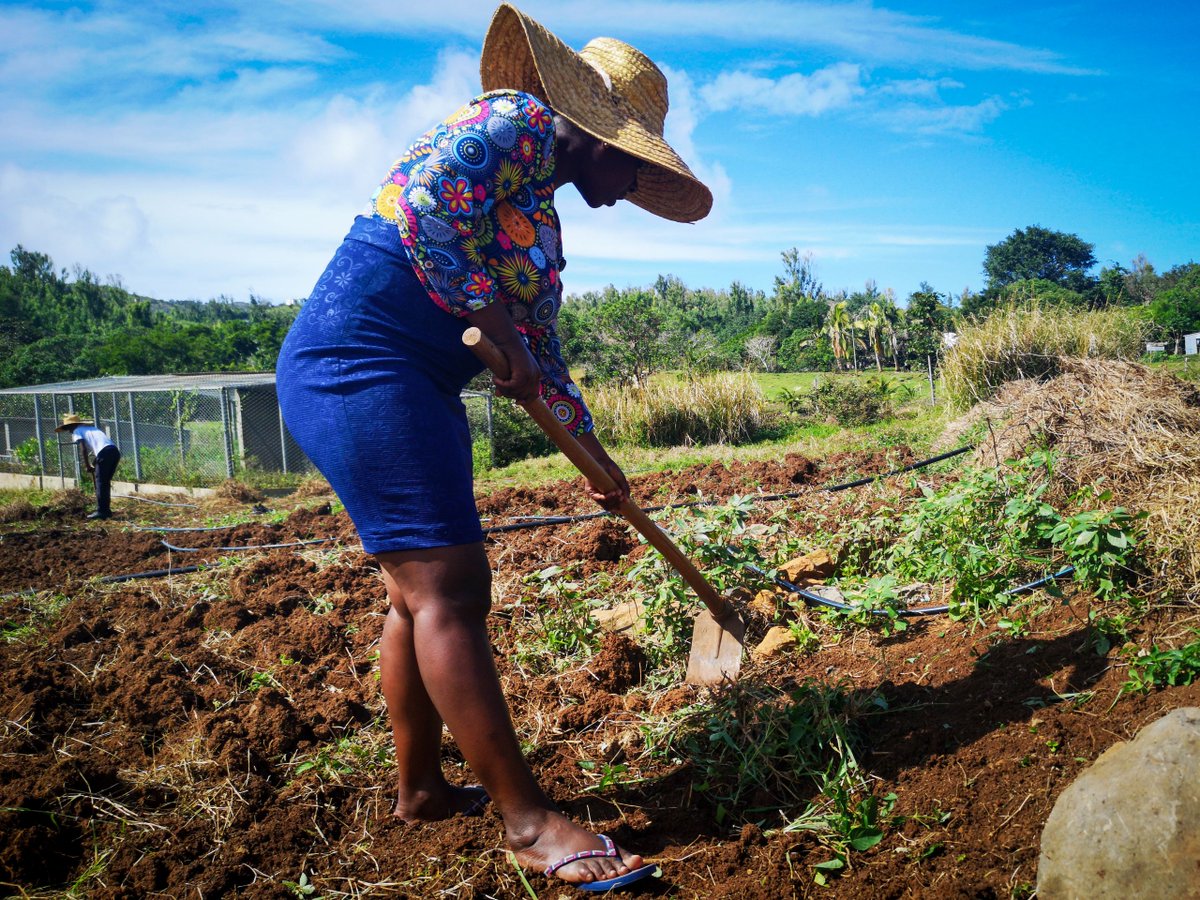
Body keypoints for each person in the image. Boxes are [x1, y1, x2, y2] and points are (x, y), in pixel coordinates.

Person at [275, 4, 711, 891]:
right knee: (449, 588)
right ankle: (529, 822)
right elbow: (423, 210)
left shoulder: (540, 230)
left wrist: (598, 461)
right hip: (357, 363)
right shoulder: (512, 123)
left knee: (414, 596)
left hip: (418, 386)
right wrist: (486, 320)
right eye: (633, 167)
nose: (630, 190)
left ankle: (421, 791)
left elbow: (541, 358)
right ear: (594, 133)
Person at [55, 414, 121, 520]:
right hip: (114, 452)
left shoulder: (77, 431)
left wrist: (86, 465)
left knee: (101, 483)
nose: (69, 431)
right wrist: (94, 463)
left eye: (68, 428)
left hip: (105, 453)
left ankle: (102, 511)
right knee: (104, 482)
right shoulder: (91, 429)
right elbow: (103, 447)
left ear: (72, 426)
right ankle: (106, 511)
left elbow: (83, 449)